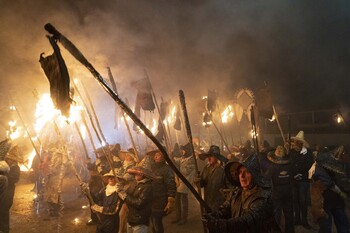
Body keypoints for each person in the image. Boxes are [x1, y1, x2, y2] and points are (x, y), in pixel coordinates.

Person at [203, 154, 280, 233]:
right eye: (240, 172)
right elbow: (226, 209)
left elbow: (248, 221)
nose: (242, 176)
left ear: (255, 175)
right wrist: (215, 215)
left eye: (246, 172)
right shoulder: (237, 192)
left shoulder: (263, 196)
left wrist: (224, 225)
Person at [309, 146, 349, 233]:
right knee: (326, 227)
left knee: (342, 225)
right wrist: (341, 192)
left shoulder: (340, 165)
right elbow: (327, 182)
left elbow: (343, 182)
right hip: (324, 200)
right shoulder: (318, 166)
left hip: (337, 200)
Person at [265, 146, 295, 233]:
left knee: (277, 214)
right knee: (289, 213)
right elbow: (293, 175)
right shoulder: (290, 165)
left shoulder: (272, 166)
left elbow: (266, 178)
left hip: (277, 192)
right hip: (288, 190)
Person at [117, 166, 154, 233]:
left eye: (137, 174)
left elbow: (139, 203)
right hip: (131, 218)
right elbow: (126, 197)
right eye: (135, 174)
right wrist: (120, 191)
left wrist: (124, 195)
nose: (135, 175)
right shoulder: (134, 183)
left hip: (140, 221)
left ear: (143, 175)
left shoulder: (147, 187)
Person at [289, 131, 314, 229]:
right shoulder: (292, 152)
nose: (295, 143)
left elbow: (309, 164)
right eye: (295, 141)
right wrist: (294, 174)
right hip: (294, 180)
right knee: (295, 200)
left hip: (303, 180)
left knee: (303, 201)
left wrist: (299, 172)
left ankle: (304, 221)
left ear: (301, 143)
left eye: (297, 142)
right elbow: (290, 164)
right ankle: (297, 219)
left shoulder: (308, 152)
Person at [149, 150, 176, 233]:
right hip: (151, 200)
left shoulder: (167, 169)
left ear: (163, 157)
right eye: (155, 155)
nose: (155, 157)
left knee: (157, 223)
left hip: (160, 200)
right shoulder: (151, 167)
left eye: (158, 155)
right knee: (153, 222)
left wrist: (170, 200)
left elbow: (171, 185)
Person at [197, 145, 228, 212]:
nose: (209, 158)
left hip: (220, 206)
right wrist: (198, 181)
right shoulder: (206, 168)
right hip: (208, 203)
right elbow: (202, 184)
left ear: (217, 157)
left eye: (211, 156)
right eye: (208, 156)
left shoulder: (223, 170)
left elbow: (229, 190)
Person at [171, 143, 196, 225]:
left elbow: (186, 171)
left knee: (183, 201)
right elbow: (175, 161)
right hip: (180, 181)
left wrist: (177, 166)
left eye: (184, 150)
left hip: (186, 182)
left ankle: (183, 218)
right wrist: (171, 157)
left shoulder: (191, 159)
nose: (182, 151)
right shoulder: (183, 158)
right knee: (177, 200)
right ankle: (178, 216)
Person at [0, 160, 10, 233]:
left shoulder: (1, 178)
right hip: (4, 200)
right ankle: (5, 229)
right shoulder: (5, 178)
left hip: (2, 200)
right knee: (4, 214)